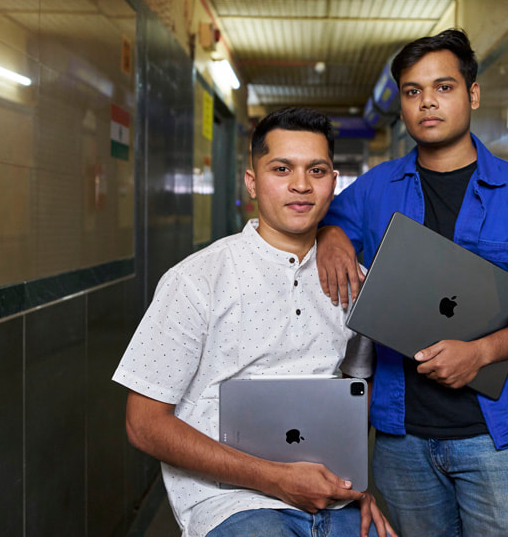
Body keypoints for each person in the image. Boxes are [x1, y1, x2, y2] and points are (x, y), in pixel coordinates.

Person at [316, 29, 508, 536]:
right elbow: (329, 218)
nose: (427, 103)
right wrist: (333, 235)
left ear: (473, 94)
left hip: (497, 436)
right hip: (402, 439)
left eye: (443, 87)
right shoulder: (377, 188)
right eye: (413, 91)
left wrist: (483, 352)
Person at [113, 107, 395, 537]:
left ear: (332, 183)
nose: (301, 184)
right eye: (281, 169)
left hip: (332, 499)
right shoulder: (197, 280)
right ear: (252, 181)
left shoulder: (354, 279)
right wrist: (276, 478)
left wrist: (351, 484)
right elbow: (144, 423)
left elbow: (357, 386)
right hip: (231, 504)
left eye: (316, 170)